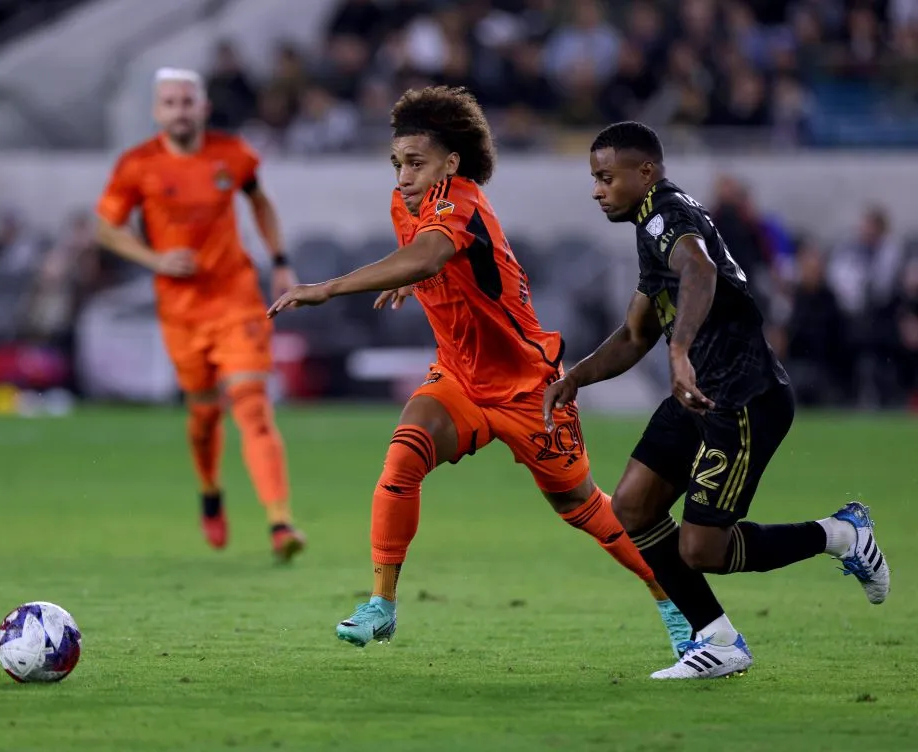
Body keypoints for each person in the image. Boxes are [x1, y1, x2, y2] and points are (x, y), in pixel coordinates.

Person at [268, 86, 690, 653]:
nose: (403, 176)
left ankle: (676, 603)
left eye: (415, 163)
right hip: (460, 377)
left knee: (583, 507)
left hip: (527, 386)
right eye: (397, 163)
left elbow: (432, 253)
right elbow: (425, 263)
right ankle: (381, 605)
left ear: (451, 162)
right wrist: (406, 283)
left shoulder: (460, 199)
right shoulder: (407, 205)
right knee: (402, 458)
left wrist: (331, 287)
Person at [543, 121, 889, 680]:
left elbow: (699, 270)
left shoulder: (666, 216)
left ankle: (842, 534)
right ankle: (717, 640)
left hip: (743, 398)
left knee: (702, 549)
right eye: (594, 178)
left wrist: (679, 351)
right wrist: (576, 378)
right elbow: (635, 335)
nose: (596, 189)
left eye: (606, 177)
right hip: (700, 394)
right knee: (632, 506)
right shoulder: (651, 225)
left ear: (645, 172)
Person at [95, 68, 306, 561]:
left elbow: (260, 201)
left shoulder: (232, 155)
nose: (179, 110)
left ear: (203, 107)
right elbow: (107, 228)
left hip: (235, 297)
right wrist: (154, 259)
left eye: (187, 101)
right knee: (204, 416)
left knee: (251, 405)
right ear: (157, 111)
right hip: (180, 310)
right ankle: (210, 492)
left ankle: (280, 523)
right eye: (170, 102)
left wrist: (279, 261)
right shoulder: (137, 165)